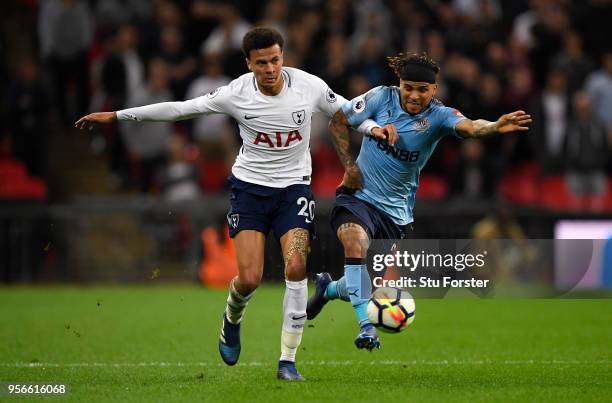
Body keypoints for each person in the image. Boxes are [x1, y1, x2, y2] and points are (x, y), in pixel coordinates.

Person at [75, 27, 380, 381]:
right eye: (262, 62)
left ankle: (287, 361)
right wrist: (117, 115)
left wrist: (375, 129)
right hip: (249, 190)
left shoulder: (307, 85)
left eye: (276, 60)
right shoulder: (235, 93)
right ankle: (231, 319)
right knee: (249, 279)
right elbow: (180, 109)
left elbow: (347, 109)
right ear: (249, 63)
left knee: (296, 267)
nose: (270, 68)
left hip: (294, 189)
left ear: (283, 57)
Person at [306, 52, 531, 351]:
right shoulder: (379, 98)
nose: (413, 95)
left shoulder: (438, 116)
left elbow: (470, 126)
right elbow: (339, 120)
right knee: (354, 242)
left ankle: (329, 289)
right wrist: (349, 166)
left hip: (394, 213)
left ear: (434, 91)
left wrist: (492, 127)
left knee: (362, 285)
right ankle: (366, 327)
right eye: (408, 87)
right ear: (399, 83)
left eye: (422, 90)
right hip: (357, 197)